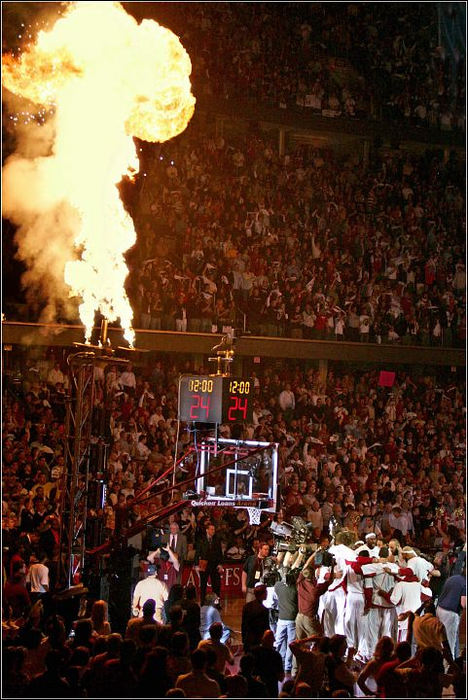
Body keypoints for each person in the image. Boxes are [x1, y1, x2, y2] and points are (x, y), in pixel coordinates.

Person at [435, 566, 466, 659]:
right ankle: (449, 668)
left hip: (439, 609)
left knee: (441, 640)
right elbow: (464, 603)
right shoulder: (465, 583)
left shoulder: (453, 578)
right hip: (450, 614)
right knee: (449, 643)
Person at [273, 569, 298, 674]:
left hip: (281, 618)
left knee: (278, 641)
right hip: (292, 618)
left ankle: (273, 661)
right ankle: (288, 666)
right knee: (290, 643)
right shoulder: (294, 590)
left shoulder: (278, 586)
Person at [251, 628, 285, 698]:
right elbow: (281, 677)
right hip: (272, 689)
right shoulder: (276, 655)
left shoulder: (253, 652)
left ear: (262, 639)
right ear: (273, 641)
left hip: (255, 687)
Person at [196, 522, 223, 605]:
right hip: (203, 564)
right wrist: (196, 564)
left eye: (214, 529)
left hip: (214, 564)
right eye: (211, 529)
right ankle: (203, 603)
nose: (213, 531)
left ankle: (216, 603)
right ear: (207, 530)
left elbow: (220, 553)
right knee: (203, 585)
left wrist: (220, 564)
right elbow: (197, 553)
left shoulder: (217, 540)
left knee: (216, 586)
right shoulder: (201, 540)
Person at [241, 583, 270, 652]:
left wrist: (244, 639)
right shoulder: (264, 610)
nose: (267, 594)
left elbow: (243, 624)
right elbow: (265, 627)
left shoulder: (246, 606)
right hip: (257, 640)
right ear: (262, 594)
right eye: (265, 592)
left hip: (247, 639)